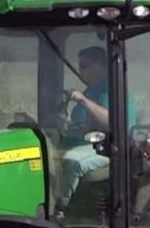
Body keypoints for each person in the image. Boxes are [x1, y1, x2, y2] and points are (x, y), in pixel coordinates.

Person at [56, 46, 135, 210]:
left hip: (109, 148)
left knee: (73, 162)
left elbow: (113, 123)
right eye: (80, 66)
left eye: (85, 66)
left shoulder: (114, 90)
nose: (81, 71)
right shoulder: (92, 90)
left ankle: (60, 209)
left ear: (102, 65)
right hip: (83, 144)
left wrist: (84, 101)